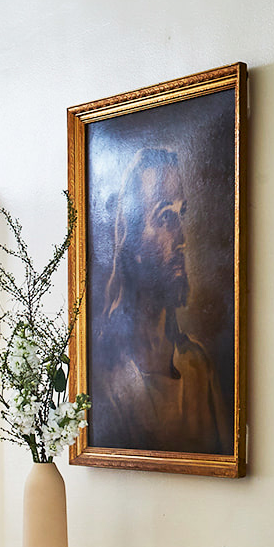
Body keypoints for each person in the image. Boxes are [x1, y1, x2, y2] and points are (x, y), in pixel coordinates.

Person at [91, 146, 225, 454]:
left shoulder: (197, 365)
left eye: (181, 214)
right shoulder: (106, 375)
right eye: (165, 218)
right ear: (132, 241)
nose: (182, 239)